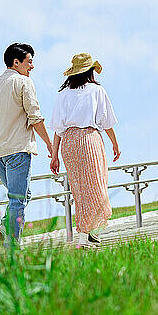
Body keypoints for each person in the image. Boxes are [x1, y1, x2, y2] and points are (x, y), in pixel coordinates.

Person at [0, 42, 53, 247]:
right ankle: (12, 245)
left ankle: (3, 228)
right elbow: (35, 118)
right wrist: (50, 145)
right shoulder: (23, 82)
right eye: (29, 62)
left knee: (21, 195)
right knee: (18, 199)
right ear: (16, 62)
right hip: (17, 150)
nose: (32, 67)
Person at [49, 53, 121, 245]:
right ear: (90, 71)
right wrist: (114, 143)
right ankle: (87, 234)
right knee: (96, 185)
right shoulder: (97, 91)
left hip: (69, 142)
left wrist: (54, 155)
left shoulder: (62, 94)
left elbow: (58, 129)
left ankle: (86, 234)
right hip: (90, 139)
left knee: (79, 188)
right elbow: (106, 122)